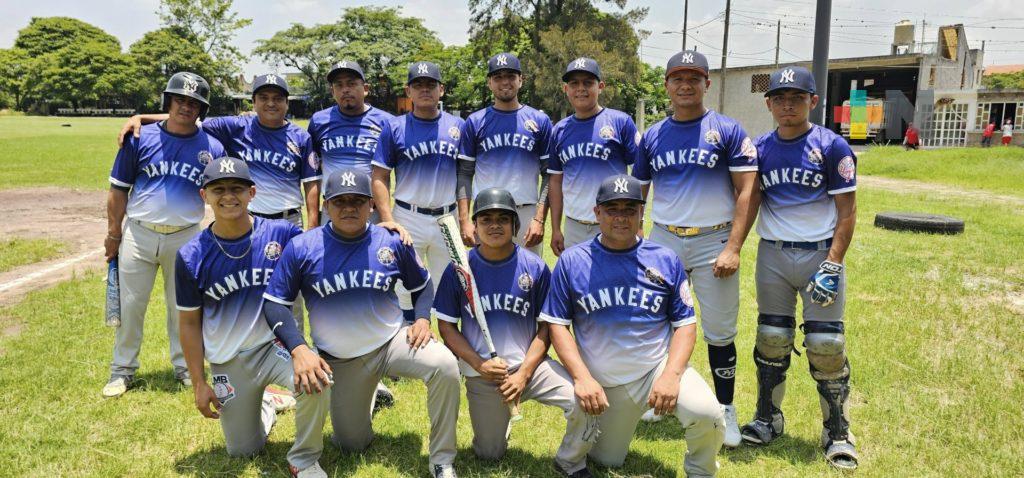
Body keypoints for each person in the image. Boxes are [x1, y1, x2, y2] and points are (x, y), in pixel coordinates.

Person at [263, 168, 462, 478]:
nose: (349, 208)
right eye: (340, 201)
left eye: (357, 201)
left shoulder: (391, 241)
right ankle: (369, 394)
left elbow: (422, 286)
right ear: (326, 205)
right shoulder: (303, 247)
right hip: (342, 359)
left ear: (371, 205)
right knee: (351, 443)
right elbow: (274, 304)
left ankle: (442, 460)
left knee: (445, 365)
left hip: (393, 343)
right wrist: (299, 348)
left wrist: (423, 318)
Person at [116, 74, 320, 364]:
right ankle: (240, 356)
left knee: (289, 294)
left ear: (288, 103)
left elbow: (312, 186)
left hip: (288, 223)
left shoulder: (300, 137)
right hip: (245, 223)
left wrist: (312, 229)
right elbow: (187, 117)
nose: (271, 103)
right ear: (253, 102)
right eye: (263, 97)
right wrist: (142, 117)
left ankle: (293, 356)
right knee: (243, 290)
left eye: (278, 98)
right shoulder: (235, 126)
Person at [541, 174, 725, 476]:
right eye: (612, 209)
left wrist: (671, 376)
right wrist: (582, 378)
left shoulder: (665, 259)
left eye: (630, 209)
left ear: (641, 212)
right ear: (597, 213)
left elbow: (685, 325)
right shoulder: (573, 261)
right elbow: (558, 326)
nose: (621, 217)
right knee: (607, 460)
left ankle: (701, 472)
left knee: (707, 413)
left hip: (655, 369)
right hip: (604, 383)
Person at [631, 50, 759, 447]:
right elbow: (638, 192)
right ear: (667, 85)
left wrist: (734, 246)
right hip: (665, 237)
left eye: (693, 78)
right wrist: (637, 241)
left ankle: (726, 409)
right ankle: (659, 398)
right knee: (656, 323)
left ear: (707, 83)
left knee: (719, 331)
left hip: (713, 240)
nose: (685, 85)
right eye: (678, 78)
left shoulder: (727, 129)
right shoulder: (653, 135)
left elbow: (747, 190)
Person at [175, 157, 327, 477]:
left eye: (237, 188)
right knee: (243, 451)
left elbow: (324, 247)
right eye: (218, 189)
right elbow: (188, 323)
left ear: (252, 193)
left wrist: (377, 230)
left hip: (272, 346)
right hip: (228, 359)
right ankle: (266, 404)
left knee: (317, 381)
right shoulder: (191, 256)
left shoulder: (281, 233)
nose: (228, 196)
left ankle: (303, 458)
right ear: (204, 195)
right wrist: (199, 383)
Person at [741, 66, 859, 471]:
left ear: (813, 101)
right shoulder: (759, 148)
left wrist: (833, 263)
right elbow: (750, 200)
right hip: (773, 254)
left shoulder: (832, 147)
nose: (787, 105)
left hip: (818, 255)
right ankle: (767, 418)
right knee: (771, 338)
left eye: (796, 98)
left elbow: (847, 212)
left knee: (826, 344)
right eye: (779, 98)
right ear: (768, 103)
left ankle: (837, 431)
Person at [434, 188, 595, 477]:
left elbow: (547, 327)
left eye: (503, 219)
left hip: (531, 366)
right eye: (486, 219)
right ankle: (498, 423)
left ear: (515, 225)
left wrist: (524, 374)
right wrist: (479, 365)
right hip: (486, 374)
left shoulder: (534, 267)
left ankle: (570, 460)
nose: (495, 225)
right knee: (489, 454)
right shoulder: (459, 269)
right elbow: (446, 326)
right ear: (475, 225)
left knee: (581, 401)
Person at [102, 72, 225, 398]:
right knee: (130, 307)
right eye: (179, 100)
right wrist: (113, 234)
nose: (186, 107)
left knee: (183, 309)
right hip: (139, 234)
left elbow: (220, 193)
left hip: (186, 237)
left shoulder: (212, 146)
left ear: (202, 109)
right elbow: (118, 190)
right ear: (168, 101)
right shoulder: (138, 138)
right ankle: (122, 370)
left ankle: (186, 369)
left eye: (193, 103)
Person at [305, 59, 400, 408]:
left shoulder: (385, 121)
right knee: (332, 287)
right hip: (334, 216)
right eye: (339, 84)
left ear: (365, 88)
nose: (346, 89)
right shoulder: (319, 121)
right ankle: (331, 356)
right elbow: (312, 174)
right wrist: (313, 221)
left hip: (369, 214)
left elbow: (388, 170)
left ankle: (379, 359)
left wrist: (387, 216)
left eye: (352, 83)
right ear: (332, 90)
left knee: (374, 286)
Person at [372, 61, 465, 286]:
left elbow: (466, 175)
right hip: (407, 217)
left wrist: (464, 218)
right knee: (405, 287)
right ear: (408, 91)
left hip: (447, 217)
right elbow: (379, 177)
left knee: (451, 285)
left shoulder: (459, 126)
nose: (425, 89)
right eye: (418, 85)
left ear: (441, 89)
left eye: (430, 85)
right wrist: (389, 221)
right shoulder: (394, 127)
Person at [456, 53, 553, 255]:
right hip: (487, 212)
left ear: (521, 80)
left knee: (529, 273)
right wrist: (464, 220)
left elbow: (549, 174)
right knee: (485, 272)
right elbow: (464, 173)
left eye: (510, 76)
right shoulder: (475, 121)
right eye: (498, 77)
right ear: (489, 83)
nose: (505, 82)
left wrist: (539, 219)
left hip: (525, 212)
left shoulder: (539, 120)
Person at [547, 57, 641, 255]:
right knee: (576, 275)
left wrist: (638, 222)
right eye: (574, 83)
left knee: (616, 274)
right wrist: (555, 228)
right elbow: (555, 181)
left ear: (600, 87)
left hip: (614, 222)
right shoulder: (559, 130)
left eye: (588, 82)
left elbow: (640, 175)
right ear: (566, 89)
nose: (581, 88)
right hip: (574, 225)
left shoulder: (620, 122)